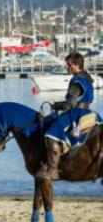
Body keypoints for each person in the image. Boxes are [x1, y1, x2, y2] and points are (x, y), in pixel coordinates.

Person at [39, 51, 96, 180]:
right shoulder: (87, 78)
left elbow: (69, 104)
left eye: (69, 65)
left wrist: (56, 106)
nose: (67, 67)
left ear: (76, 65)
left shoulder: (77, 81)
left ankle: (53, 170)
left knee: (50, 135)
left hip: (77, 113)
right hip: (89, 112)